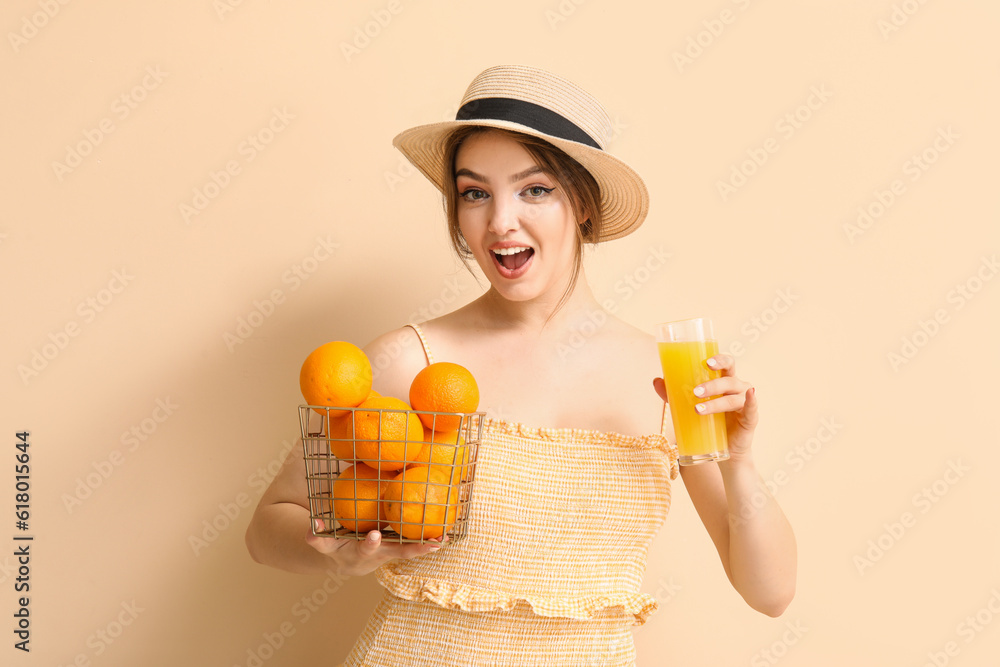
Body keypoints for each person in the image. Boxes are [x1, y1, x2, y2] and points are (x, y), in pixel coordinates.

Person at [245, 64, 796, 666]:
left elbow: (769, 592)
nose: (500, 221)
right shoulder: (410, 360)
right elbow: (266, 530)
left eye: (534, 189)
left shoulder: (669, 381)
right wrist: (337, 552)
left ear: (583, 204)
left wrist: (738, 462)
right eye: (475, 192)